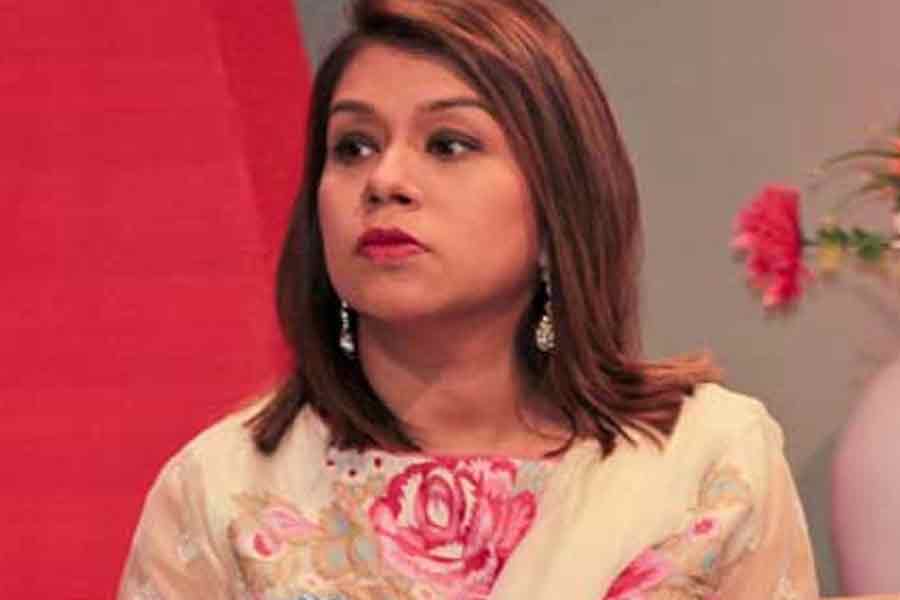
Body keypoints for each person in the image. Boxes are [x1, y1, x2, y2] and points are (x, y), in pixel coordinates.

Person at [117, 0, 819, 598]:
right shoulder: (223, 494)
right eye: (353, 146)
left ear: (557, 199)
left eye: (448, 145)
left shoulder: (708, 467)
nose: (385, 180)